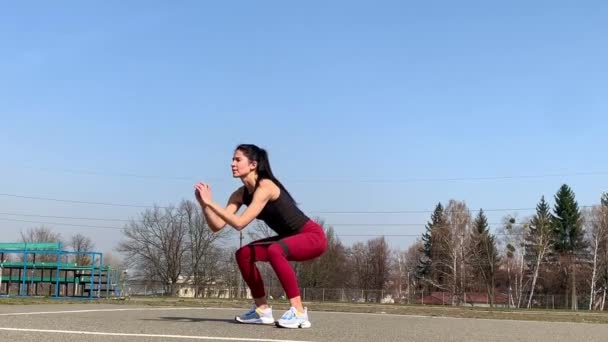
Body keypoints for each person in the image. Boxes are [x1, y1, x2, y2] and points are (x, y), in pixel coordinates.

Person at [194, 144, 327, 329]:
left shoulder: (265, 186)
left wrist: (211, 202)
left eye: (237, 159)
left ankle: (298, 312)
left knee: (275, 250)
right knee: (243, 254)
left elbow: (240, 223)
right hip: (288, 237)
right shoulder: (240, 194)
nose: (232, 163)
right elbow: (217, 226)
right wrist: (204, 206)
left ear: (253, 164)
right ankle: (262, 310)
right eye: (232, 159)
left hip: (312, 237)